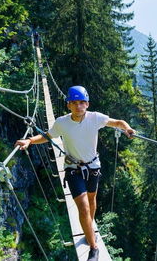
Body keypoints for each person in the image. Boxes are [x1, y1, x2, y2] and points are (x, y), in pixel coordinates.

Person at [15, 85, 135, 261]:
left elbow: (118, 123)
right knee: (84, 206)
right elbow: (47, 136)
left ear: (87, 104)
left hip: (93, 167)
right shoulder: (62, 123)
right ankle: (94, 248)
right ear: (68, 105)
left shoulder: (95, 118)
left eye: (81, 102)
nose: (78, 106)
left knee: (92, 202)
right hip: (73, 169)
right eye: (74, 103)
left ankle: (89, 231)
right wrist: (29, 141)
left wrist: (128, 129)